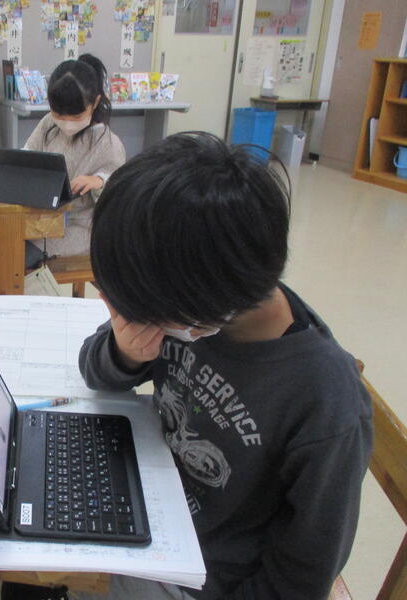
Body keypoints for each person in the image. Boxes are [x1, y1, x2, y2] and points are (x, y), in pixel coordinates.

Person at [74, 132, 372, 600]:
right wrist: (126, 351)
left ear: (200, 306)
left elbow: (298, 582)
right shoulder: (196, 304)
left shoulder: (324, 402)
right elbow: (95, 371)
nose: (136, 316)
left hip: (199, 579)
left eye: (143, 309)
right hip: (146, 502)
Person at [23, 54, 125, 266]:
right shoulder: (49, 124)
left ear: (95, 102)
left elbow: (119, 195)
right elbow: (26, 156)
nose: (67, 123)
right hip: (41, 221)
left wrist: (100, 182)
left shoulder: (107, 143)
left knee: (14, 258)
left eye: (76, 117)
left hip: (79, 229)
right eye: (59, 115)